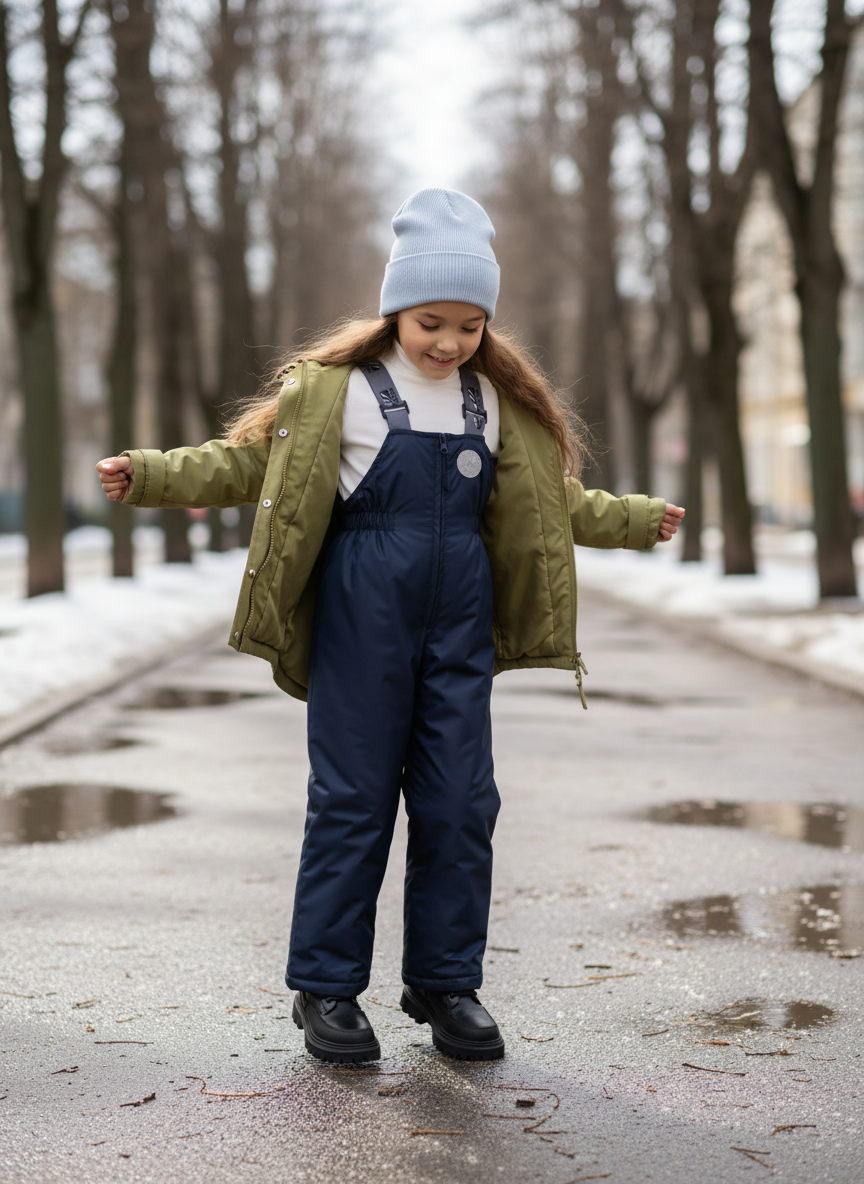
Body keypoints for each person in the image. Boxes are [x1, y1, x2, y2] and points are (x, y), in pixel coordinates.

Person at [97, 188, 684, 1065]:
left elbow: (552, 504)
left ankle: (446, 982)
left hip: (460, 629)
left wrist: (634, 519)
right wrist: (147, 474)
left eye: (470, 327)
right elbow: (245, 465)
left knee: (461, 803)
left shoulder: (494, 402)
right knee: (353, 800)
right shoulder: (339, 393)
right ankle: (326, 988)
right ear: (395, 311)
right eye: (430, 323)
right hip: (359, 616)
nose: (449, 343)